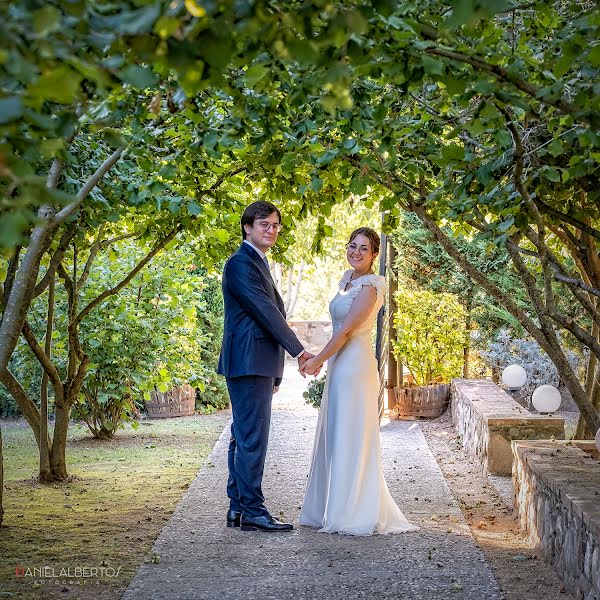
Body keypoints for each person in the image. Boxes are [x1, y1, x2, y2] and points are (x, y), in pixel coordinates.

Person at [299, 227, 419, 536]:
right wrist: (321, 358)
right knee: (337, 432)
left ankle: (353, 511)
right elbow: (335, 328)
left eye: (364, 248)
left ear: (374, 255)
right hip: (340, 366)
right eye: (352, 245)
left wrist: (316, 360)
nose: (356, 252)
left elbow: (347, 331)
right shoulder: (346, 281)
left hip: (355, 367)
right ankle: (331, 507)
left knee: (351, 433)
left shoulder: (370, 286)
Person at [218, 200, 315, 532]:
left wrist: (276, 370)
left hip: (257, 362)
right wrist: (300, 352)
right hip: (248, 361)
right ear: (247, 227)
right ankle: (254, 511)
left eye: (275, 225)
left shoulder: (257, 262)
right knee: (251, 438)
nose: (271, 230)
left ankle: (238, 508)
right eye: (265, 224)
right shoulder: (240, 264)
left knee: (242, 436)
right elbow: (265, 312)